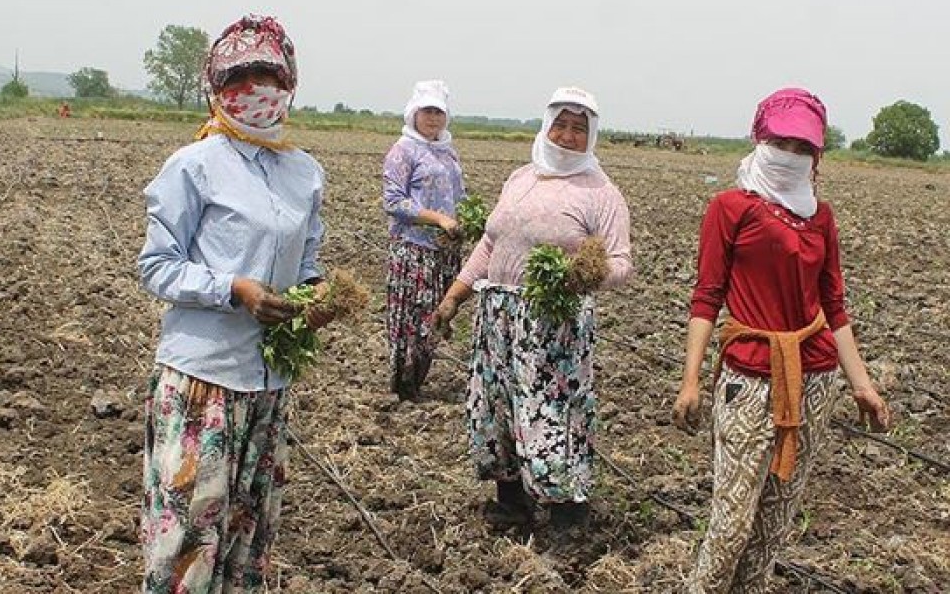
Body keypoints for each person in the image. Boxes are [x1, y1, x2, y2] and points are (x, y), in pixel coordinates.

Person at [136, 14, 335, 593]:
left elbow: (308, 261)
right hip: (204, 377)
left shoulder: (304, 172)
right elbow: (156, 265)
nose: (254, 91)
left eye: (267, 76)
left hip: (269, 384)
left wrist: (315, 296)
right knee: (187, 538)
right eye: (238, 78)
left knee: (247, 534)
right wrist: (234, 289)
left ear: (289, 84)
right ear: (216, 88)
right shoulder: (194, 165)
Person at [672, 87, 891, 593]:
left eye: (804, 148)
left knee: (773, 523)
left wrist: (861, 384)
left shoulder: (822, 217)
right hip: (749, 376)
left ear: (817, 156)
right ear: (760, 139)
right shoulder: (730, 208)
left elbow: (834, 307)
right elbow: (707, 297)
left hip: (813, 377)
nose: (791, 156)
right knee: (730, 525)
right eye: (783, 144)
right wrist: (691, 382)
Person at [432, 86, 634, 534]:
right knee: (496, 406)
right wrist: (454, 297)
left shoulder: (600, 193)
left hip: (553, 324)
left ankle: (568, 512)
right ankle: (511, 502)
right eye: (560, 124)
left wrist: (586, 275)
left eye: (578, 128)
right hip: (497, 316)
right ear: (546, 127)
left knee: (552, 411)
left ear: (591, 136)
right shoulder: (520, 178)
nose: (567, 135)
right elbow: (490, 245)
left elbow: (621, 263)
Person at [381, 79, 466, 401]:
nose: (433, 118)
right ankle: (403, 384)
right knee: (411, 318)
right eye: (427, 111)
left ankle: (418, 379)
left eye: (438, 112)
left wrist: (466, 221)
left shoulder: (447, 152)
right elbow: (394, 202)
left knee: (436, 316)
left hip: (444, 251)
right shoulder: (403, 151)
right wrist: (438, 219)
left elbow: (459, 197)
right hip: (414, 249)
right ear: (414, 113)